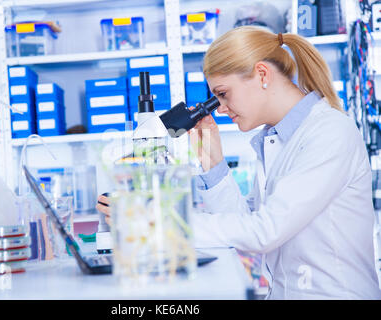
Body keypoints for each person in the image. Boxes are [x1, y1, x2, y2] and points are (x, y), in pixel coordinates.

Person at [96, 26, 381, 299]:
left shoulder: (329, 132)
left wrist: (154, 222)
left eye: (223, 93)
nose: (220, 107)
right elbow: (247, 227)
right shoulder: (276, 139)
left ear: (261, 74)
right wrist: (212, 160)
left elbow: (265, 232)